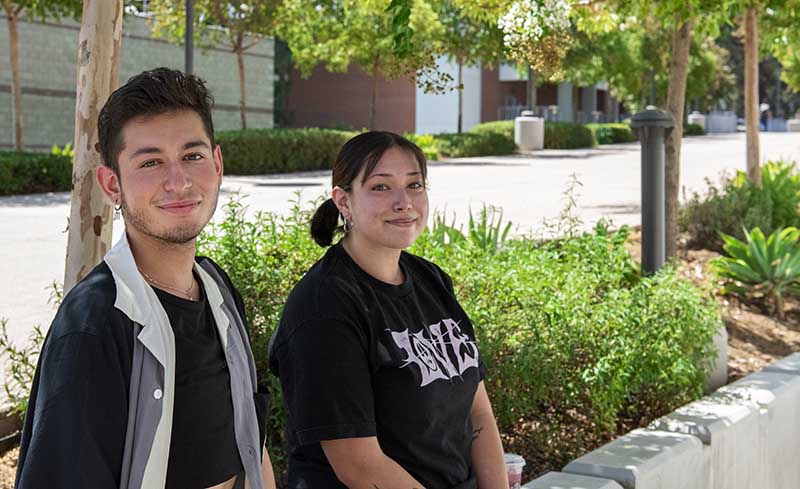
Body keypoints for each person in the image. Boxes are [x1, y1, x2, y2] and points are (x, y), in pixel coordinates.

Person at [15, 67, 275, 489]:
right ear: (112, 184)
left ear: (218, 163)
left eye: (192, 156)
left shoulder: (217, 289)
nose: (179, 181)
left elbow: (250, 438)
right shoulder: (94, 326)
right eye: (151, 162)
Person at [269, 131, 508, 488]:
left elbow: (477, 413)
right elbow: (360, 466)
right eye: (381, 187)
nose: (404, 202)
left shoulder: (431, 281)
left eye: (415, 184)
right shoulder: (324, 309)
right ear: (343, 201)